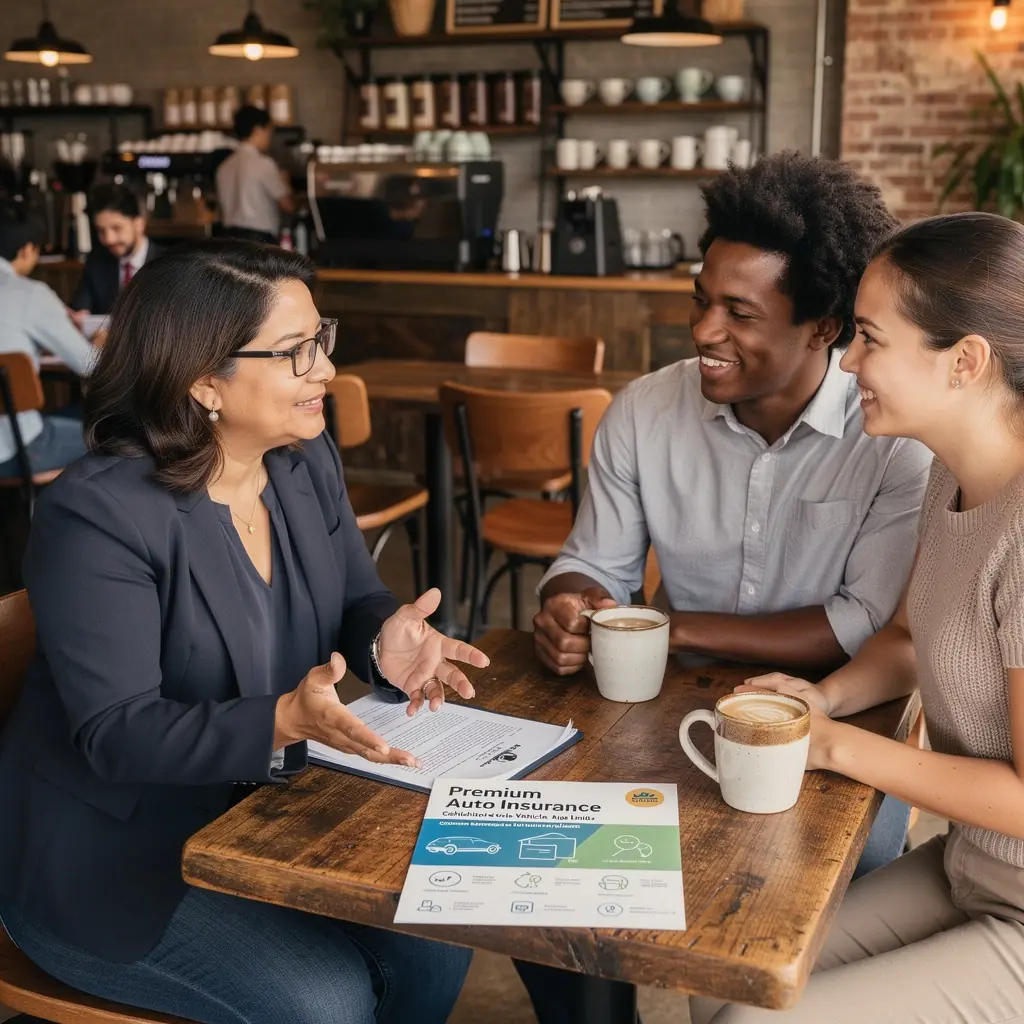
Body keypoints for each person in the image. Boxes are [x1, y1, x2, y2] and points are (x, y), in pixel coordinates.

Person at [0, 240, 483, 1024]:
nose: (326, 370)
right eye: (297, 353)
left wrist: (381, 640)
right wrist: (281, 721)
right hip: (111, 854)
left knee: (439, 934)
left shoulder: (301, 457)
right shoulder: (100, 512)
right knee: (326, 1001)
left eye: (320, 340)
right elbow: (117, 732)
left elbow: (357, 595)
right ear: (202, 382)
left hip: (264, 812)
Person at [531, 152, 933, 883]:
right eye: (701, 300)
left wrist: (665, 630)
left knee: (821, 892)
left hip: (839, 719)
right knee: (553, 865)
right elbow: (595, 563)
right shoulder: (644, 411)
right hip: (663, 708)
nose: (705, 332)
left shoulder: (893, 441)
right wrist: (569, 602)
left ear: (824, 328)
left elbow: (868, 623)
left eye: (740, 314)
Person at [692, 211, 1024, 1023]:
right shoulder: (950, 482)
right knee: (722, 975)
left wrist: (835, 747)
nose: (847, 360)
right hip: (973, 867)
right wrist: (825, 701)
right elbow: (908, 640)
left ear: (966, 362)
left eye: (871, 338)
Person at [0, 203, 95, 477]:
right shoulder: (29, 294)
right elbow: (91, 366)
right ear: (28, 249)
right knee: (117, 433)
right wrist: (102, 343)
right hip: (17, 449)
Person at [70, 183, 160, 316]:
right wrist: (80, 315)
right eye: (101, 231)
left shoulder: (167, 261)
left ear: (139, 224)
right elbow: (81, 305)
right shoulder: (97, 262)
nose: (109, 239)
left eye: (117, 228)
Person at [216, 105, 293, 244]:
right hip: (259, 239)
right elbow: (287, 205)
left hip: (229, 239)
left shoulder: (224, 166)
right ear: (258, 130)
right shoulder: (263, 163)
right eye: (269, 131)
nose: (270, 138)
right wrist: (286, 182)